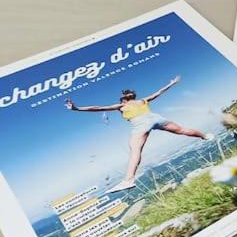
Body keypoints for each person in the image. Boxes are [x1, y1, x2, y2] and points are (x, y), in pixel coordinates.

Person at [65, 76, 213, 193]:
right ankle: (205, 136)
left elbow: (98, 108)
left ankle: (129, 180)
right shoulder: (142, 101)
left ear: (124, 100)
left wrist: (77, 108)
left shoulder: (122, 105)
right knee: (182, 130)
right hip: (155, 118)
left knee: (135, 150)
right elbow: (159, 92)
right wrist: (172, 83)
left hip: (140, 124)